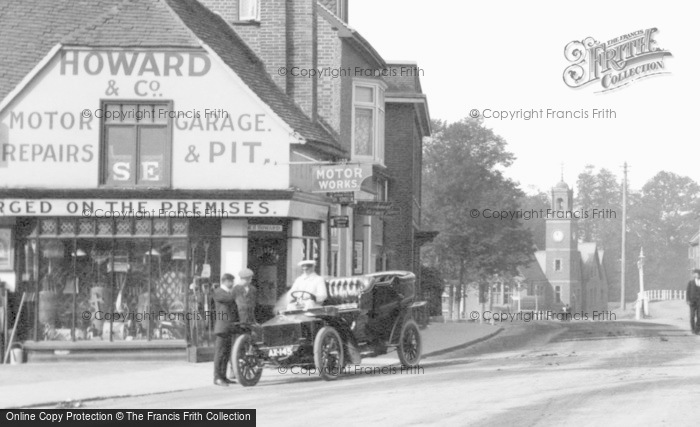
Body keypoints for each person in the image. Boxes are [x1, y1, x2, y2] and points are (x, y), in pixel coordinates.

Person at [212, 273, 239, 387]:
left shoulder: (228, 292)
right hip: (222, 327)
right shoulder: (218, 292)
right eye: (231, 281)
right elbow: (230, 299)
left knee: (226, 353)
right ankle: (217, 377)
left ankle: (224, 376)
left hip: (229, 327)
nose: (232, 284)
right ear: (225, 281)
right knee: (220, 354)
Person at [686, 269, 700, 334]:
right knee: (692, 316)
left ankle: (697, 329)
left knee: (699, 316)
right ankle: (693, 329)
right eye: (694, 273)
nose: (695, 275)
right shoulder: (691, 282)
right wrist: (688, 300)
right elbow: (688, 292)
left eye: (696, 273)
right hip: (692, 301)